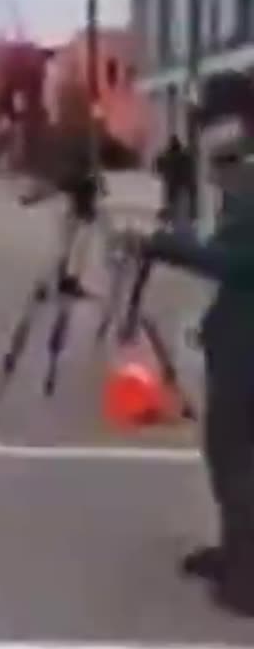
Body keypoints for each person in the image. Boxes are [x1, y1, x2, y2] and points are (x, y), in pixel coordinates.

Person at [126, 72, 254, 617]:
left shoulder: (246, 175)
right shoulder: (239, 172)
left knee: (239, 458)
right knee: (228, 454)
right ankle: (235, 553)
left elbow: (238, 260)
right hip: (236, 335)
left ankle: (247, 579)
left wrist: (160, 245)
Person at [155, 135, 196, 231]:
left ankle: (175, 224)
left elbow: (159, 166)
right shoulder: (184, 157)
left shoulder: (169, 157)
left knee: (176, 208)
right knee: (180, 209)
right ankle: (180, 225)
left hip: (174, 189)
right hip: (182, 188)